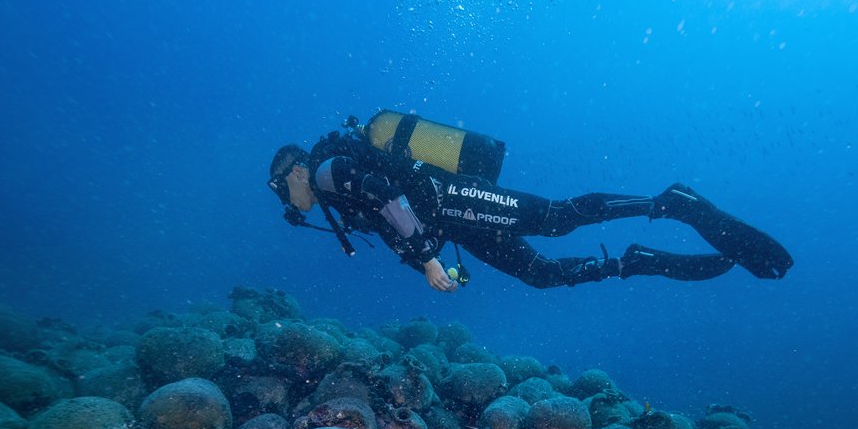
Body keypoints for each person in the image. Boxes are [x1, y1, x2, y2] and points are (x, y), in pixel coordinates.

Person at [267, 117, 792, 292]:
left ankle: (664, 203)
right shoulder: (331, 187)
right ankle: (631, 262)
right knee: (540, 274)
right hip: (454, 220)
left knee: (557, 220)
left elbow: (385, 196)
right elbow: (386, 212)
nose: (285, 200)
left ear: (293, 171)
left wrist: (426, 257)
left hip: (450, 200)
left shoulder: (324, 171)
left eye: (278, 187)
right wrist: (425, 250)